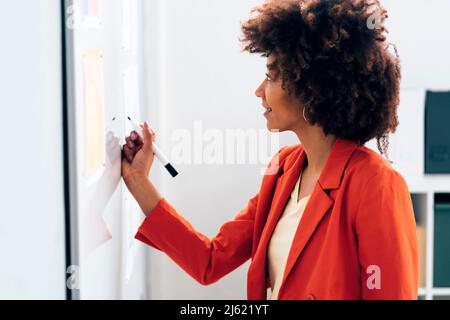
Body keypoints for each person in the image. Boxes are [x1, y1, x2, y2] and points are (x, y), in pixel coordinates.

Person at [121, 0, 418, 300]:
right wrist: (138, 182)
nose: (259, 90)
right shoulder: (284, 169)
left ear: (311, 87)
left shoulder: (374, 183)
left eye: (271, 76)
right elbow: (209, 260)